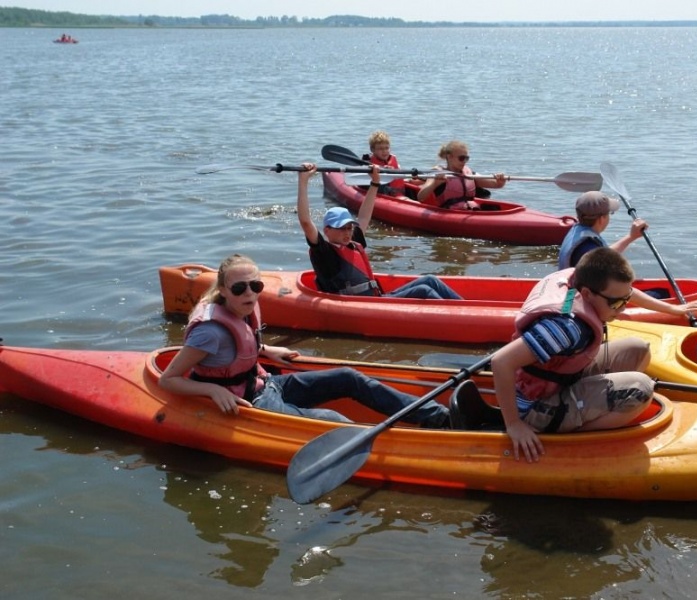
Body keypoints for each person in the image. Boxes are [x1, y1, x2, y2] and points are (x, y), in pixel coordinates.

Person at [158, 254, 450, 428]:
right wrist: (210, 390)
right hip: (249, 402)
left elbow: (239, 349)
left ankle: (440, 418)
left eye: (255, 286)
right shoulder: (209, 331)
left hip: (265, 383)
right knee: (333, 421)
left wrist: (266, 349)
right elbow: (168, 379)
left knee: (350, 378)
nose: (249, 293)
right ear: (223, 289)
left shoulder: (242, 309)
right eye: (239, 287)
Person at [491, 247, 658, 463]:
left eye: (627, 299)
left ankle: (588, 408)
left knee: (638, 349)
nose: (623, 309)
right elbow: (501, 362)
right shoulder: (566, 328)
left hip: (560, 378)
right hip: (535, 407)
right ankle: (572, 437)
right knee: (641, 390)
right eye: (616, 303)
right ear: (587, 294)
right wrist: (513, 424)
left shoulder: (576, 281)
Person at [297, 163, 463, 300]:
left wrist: (375, 183)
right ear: (327, 230)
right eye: (341, 229)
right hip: (361, 305)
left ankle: (465, 307)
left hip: (378, 297)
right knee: (424, 291)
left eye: (349, 227)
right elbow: (305, 221)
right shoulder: (325, 253)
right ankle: (459, 318)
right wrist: (303, 182)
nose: (347, 232)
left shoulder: (351, 242)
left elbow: (364, 215)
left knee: (430, 280)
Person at [558, 191, 697, 318]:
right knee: (662, 294)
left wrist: (631, 237)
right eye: (609, 214)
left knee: (658, 292)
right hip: (587, 305)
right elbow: (626, 291)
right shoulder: (587, 246)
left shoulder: (579, 233)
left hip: (576, 296)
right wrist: (673, 309)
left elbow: (602, 256)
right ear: (602, 218)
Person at [416, 140, 507, 210]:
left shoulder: (469, 174)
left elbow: (496, 184)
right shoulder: (438, 174)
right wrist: (434, 184)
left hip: (469, 210)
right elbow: (421, 197)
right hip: (449, 213)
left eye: (466, 158)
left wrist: (500, 181)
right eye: (461, 158)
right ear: (450, 157)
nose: (464, 161)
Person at [361, 130, 406, 196]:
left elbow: (401, 177)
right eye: (380, 149)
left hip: (398, 194)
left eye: (387, 148)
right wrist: (382, 171)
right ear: (372, 149)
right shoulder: (368, 165)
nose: (384, 151)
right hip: (384, 194)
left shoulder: (393, 161)